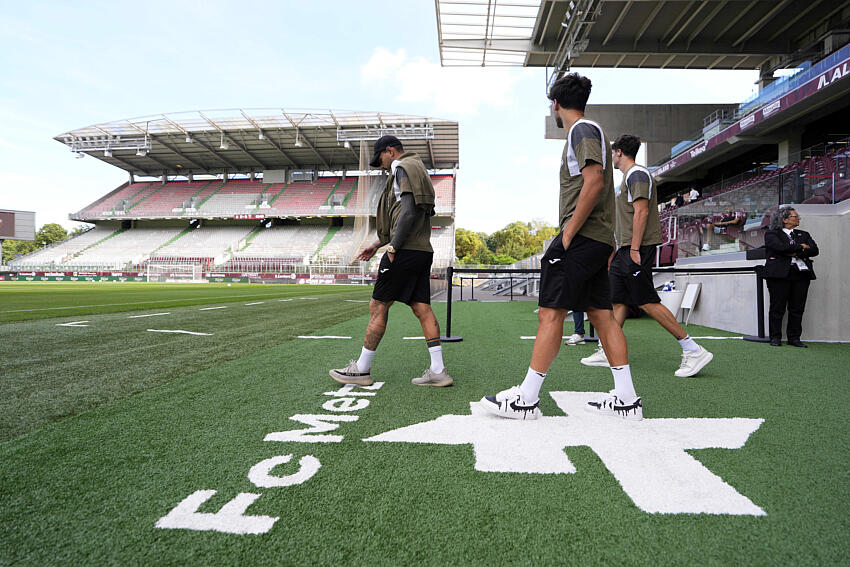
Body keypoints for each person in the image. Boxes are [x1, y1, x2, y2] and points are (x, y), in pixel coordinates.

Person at [479, 73, 643, 421]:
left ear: (556, 103)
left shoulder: (581, 130)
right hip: (596, 239)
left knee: (550, 313)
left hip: (581, 238)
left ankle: (526, 398)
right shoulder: (590, 131)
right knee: (602, 316)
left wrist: (567, 234)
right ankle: (627, 400)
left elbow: (595, 181)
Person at [580, 134, 713, 377]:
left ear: (619, 152)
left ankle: (693, 349)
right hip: (627, 248)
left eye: (612, 153)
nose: (611, 157)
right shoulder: (630, 177)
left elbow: (641, 213)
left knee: (646, 301)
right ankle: (606, 349)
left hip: (636, 248)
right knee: (617, 300)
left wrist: (633, 249)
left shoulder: (637, 174)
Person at [329, 135, 453, 386]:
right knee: (422, 308)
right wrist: (377, 244)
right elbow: (414, 212)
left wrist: (393, 247)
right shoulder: (418, 168)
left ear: (390, 151)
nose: (381, 165)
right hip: (421, 250)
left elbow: (408, 211)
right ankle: (438, 371)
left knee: (378, 306)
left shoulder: (402, 168)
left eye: (381, 159)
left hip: (404, 249)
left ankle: (361, 369)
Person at [763, 206, 818, 347]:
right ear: (785, 219)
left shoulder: (804, 234)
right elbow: (780, 248)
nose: (798, 218)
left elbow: (814, 250)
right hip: (779, 274)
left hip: (801, 274)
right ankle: (775, 337)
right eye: (795, 216)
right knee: (777, 307)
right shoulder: (772, 234)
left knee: (797, 308)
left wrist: (794, 250)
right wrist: (801, 247)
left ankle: (794, 338)